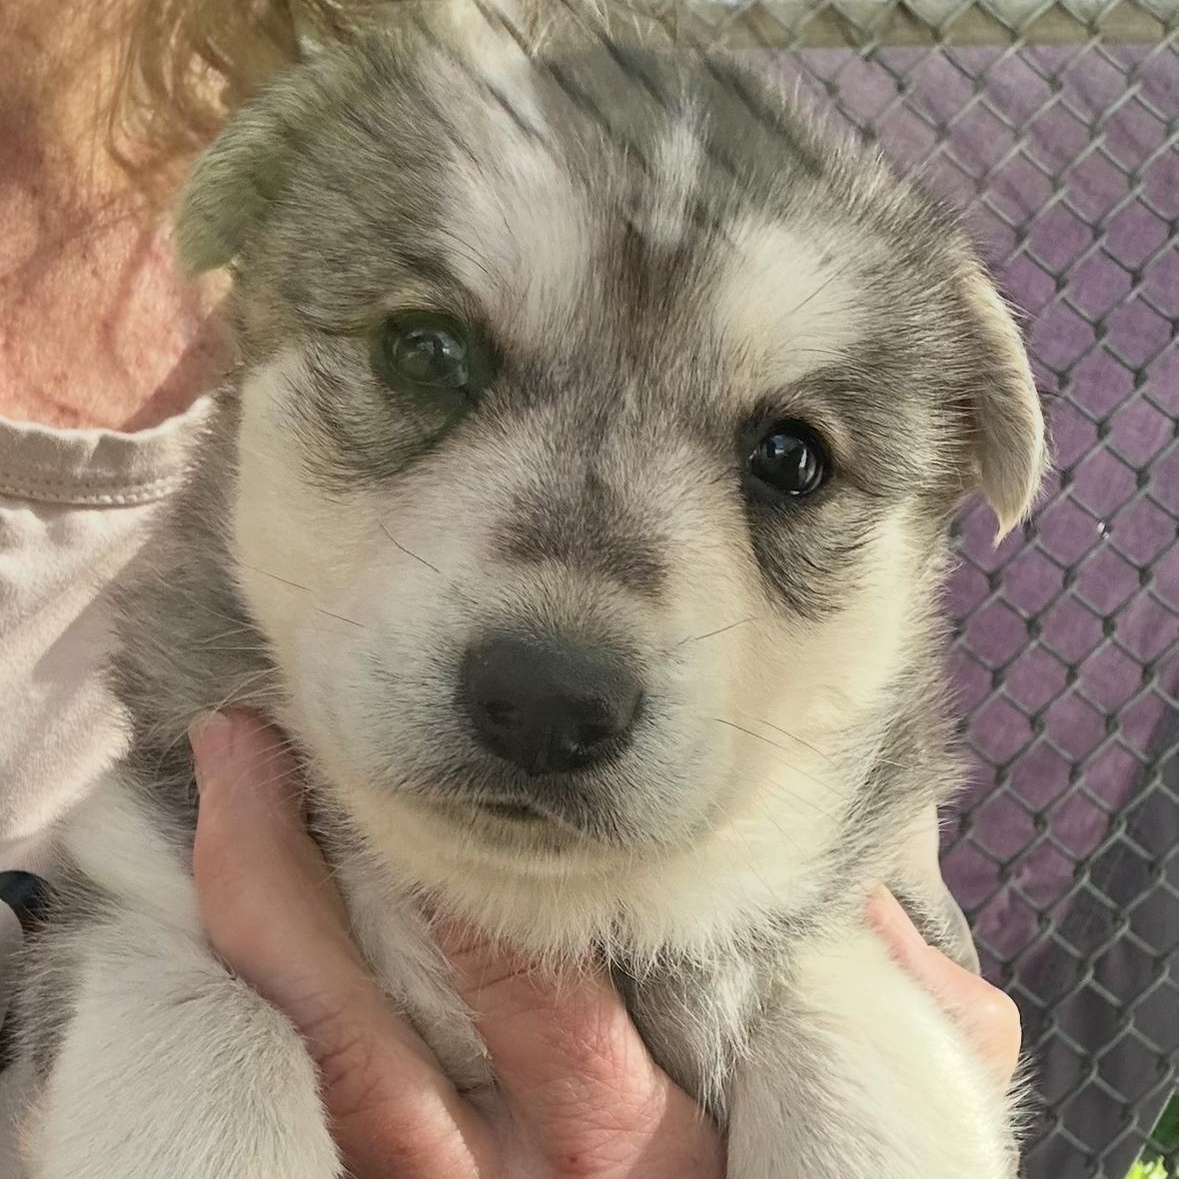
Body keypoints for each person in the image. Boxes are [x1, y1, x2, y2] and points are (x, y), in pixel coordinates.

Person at [0, 1, 1020, 1175]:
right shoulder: (174, 836)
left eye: (784, 461)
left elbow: (865, 937)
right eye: (426, 353)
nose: (566, 641)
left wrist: (858, 1051)